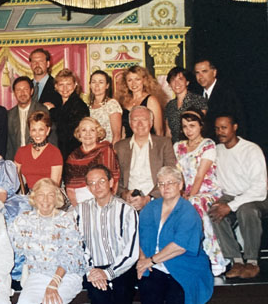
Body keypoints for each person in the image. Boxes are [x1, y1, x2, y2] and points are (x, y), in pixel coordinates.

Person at [137, 166, 213, 304]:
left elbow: (180, 246)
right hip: (154, 264)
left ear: (180, 185)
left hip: (185, 264)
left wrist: (151, 260)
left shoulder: (188, 211)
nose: (166, 187)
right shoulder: (150, 208)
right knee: (148, 290)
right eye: (161, 184)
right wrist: (142, 262)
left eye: (170, 182)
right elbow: (140, 237)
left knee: (176, 294)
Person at [11, 178, 86, 304]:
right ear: (34, 197)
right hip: (38, 274)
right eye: (41, 195)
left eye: (51, 195)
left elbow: (70, 255)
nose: (45, 200)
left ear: (57, 198)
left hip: (66, 274)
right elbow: (11, 247)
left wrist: (54, 283)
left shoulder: (66, 219)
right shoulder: (22, 220)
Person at [75, 165, 139, 304]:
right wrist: (91, 271)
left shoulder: (127, 211)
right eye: (92, 183)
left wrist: (108, 273)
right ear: (88, 187)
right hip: (93, 267)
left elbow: (131, 251)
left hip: (121, 267)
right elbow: (77, 245)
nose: (97, 186)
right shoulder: (79, 211)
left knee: (122, 293)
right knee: (98, 295)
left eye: (101, 181)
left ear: (111, 182)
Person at [209, 115, 268, 279]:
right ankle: (236, 260)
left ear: (235, 127)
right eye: (217, 128)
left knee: (246, 210)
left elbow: (260, 188)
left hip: (256, 197)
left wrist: (230, 206)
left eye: (224, 127)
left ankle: (251, 262)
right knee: (213, 211)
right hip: (231, 196)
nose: (220, 132)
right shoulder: (217, 150)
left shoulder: (251, 150)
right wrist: (223, 204)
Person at [173, 110, 227, 276]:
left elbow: (200, 176)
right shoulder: (178, 146)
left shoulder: (208, 144)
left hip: (208, 191)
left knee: (195, 203)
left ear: (200, 126)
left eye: (192, 126)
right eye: (185, 126)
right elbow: (178, 174)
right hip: (187, 192)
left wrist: (189, 196)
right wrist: (180, 193)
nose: (188, 130)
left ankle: (217, 258)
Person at [114, 106, 176, 211]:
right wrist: (124, 194)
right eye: (135, 120)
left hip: (157, 199)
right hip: (129, 202)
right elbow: (115, 178)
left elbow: (170, 174)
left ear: (151, 123)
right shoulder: (120, 146)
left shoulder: (164, 143)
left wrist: (149, 198)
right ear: (130, 124)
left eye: (144, 119)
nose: (139, 124)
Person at [64, 117, 120, 206]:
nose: (88, 134)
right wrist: (76, 207)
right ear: (79, 134)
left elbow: (114, 181)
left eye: (92, 130)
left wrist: (107, 203)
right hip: (78, 202)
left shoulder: (105, 151)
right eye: (84, 130)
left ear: (98, 133)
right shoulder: (72, 157)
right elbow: (70, 188)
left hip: (102, 199)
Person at [194, 59, 246, 139]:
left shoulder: (228, 92)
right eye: (197, 73)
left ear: (214, 72)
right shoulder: (195, 94)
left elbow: (239, 120)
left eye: (204, 71)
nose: (200, 76)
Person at [46, 69, 89, 161]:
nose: (65, 89)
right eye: (61, 85)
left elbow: (68, 132)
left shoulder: (79, 105)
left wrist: (53, 111)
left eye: (68, 84)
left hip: (73, 154)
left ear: (75, 85)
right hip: (61, 152)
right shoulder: (59, 104)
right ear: (56, 86)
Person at [14, 110, 63, 189]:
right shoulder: (22, 152)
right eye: (33, 130)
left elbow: (55, 185)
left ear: (48, 131)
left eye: (41, 129)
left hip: (48, 195)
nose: (37, 134)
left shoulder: (54, 153)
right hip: (27, 196)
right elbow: (12, 178)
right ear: (29, 132)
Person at [6, 76, 50, 161]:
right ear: (14, 93)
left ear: (31, 91)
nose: (22, 93)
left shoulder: (42, 110)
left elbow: (51, 138)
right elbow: (9, 145)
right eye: (18, 90)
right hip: (18, 161)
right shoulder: (10, 114)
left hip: (39, 158)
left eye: (25, 89)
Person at [116, 65, 165, 137]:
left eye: (137, 79)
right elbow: (123, 131)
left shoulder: (151, 100)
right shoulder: (123, 102)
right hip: (128, 144)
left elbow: (159, 131)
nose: (133, 83)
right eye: (130, 80)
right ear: (126, 83)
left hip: (148, 144)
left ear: (144, 80)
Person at [164, 67, 207, 144]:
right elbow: (168, 133)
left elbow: (202, 128)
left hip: (195, 146)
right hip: (175, 148)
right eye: (173, 80)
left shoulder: (198, 100)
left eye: (180, 79)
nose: (176, 83)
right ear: (170, 84)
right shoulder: (170, 106)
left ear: (187, 82)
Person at [88, 70, 122, 145]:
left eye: (101, 82)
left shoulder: (112, 104)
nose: (97, 86)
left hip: (107, 149)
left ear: (107, 85)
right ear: (90, 85)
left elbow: (117, 135)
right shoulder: (88, 106)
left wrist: (111, 154)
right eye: (94, 82)